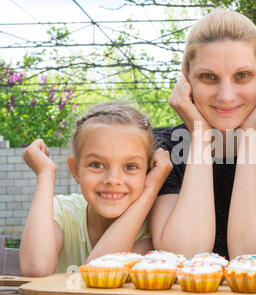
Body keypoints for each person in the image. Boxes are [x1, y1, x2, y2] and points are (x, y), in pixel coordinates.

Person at [150, 8, 256, 260]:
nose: (227, 96)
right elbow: (181, 256)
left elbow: (255, 258)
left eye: (242, 75)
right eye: (208, 77)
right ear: (186, 79)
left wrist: (251, 135)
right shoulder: (163, 147)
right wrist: (200, 136)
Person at [20, 102, 173, 276]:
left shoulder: (151, 231)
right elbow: (36, 268)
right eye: (97, 164)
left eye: (130, 166)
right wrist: (45, 174)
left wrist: (151, 189)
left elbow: (99, 272)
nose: (112, 179)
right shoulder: (62, 212)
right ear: (76, 170)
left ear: (148, 171)